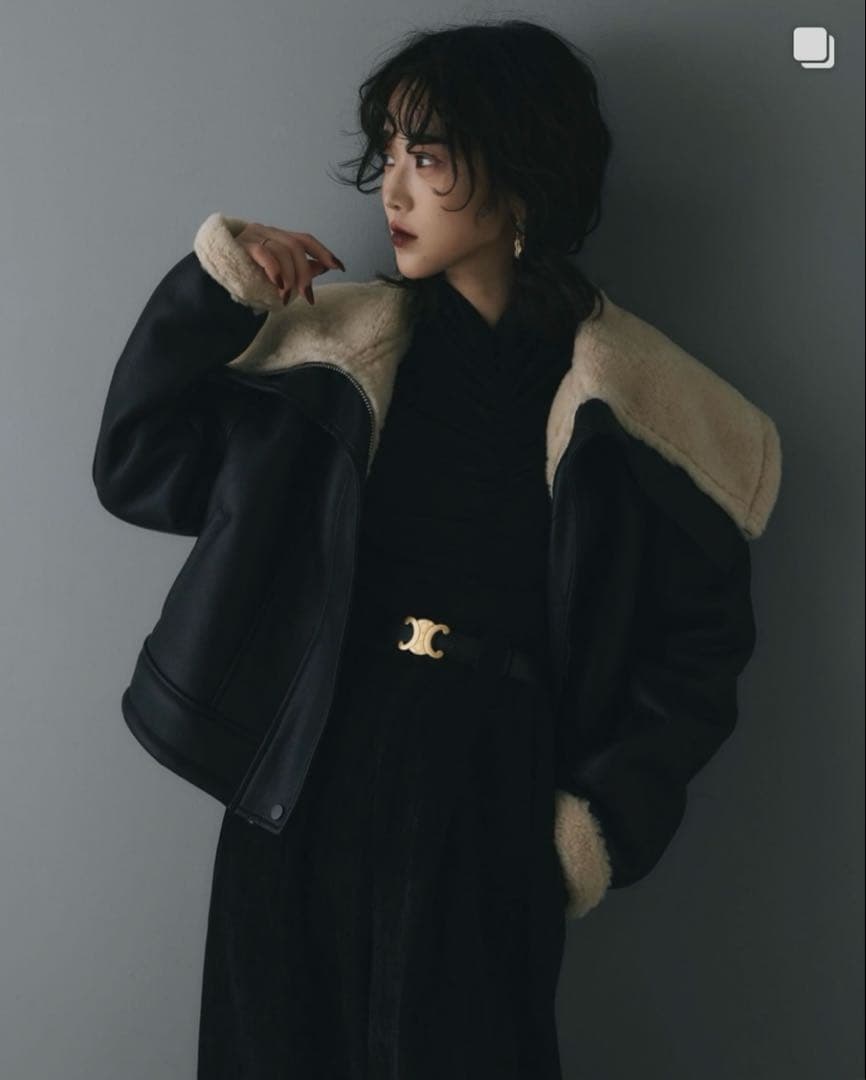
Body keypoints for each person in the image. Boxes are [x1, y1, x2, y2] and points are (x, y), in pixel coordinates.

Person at [92, 17, 781, 1080]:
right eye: (390, 156)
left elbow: (701, 648)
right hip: (305, 764)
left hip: (487, 791)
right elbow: (139, 462)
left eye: (427, 158)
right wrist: (221, 286)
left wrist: (594, 825)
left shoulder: (640, 408)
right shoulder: (334, 351)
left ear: (518, 183)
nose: (394, 191)